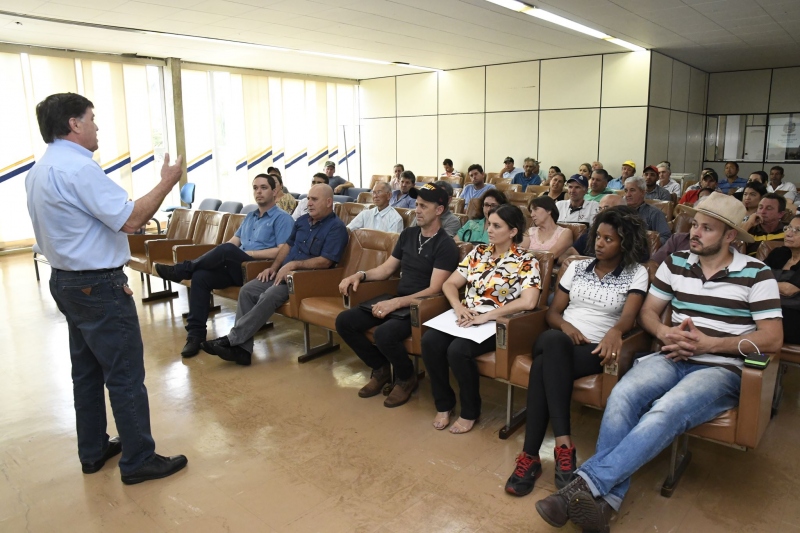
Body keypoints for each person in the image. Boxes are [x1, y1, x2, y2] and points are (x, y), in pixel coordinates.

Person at [534, 192, 782, 532]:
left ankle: (583, 486)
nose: (694, 232)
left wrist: (712, 344)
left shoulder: (757, 273)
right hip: (669, 355)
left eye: (706, 228)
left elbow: (772, 337)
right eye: (694, 225)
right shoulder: (676, 262)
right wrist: (664, 333)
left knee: (666, 409)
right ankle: (606, 504)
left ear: (730, 236)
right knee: (622, 395)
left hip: (719, 367)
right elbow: (649, 314)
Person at [26, 92, 187, 484]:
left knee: (86, 371)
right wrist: (167, 182)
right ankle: (138, 460)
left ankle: (93, 450)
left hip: (65, 282)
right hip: (97, 286)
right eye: (92, 119)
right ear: (74, 125)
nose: (97, 126)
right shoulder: (79, 171)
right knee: (125, 373)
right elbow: (131, 220)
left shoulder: (40, 169)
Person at [505, 208, 649, 497]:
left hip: (594, 349)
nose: (599, 243)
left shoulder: (637, 273)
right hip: (558, 338)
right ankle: (564, 445)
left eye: (609, 239)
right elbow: (554, 313)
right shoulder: (576, 267)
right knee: (554, 342)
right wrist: (567, 327)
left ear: (625, 243)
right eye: (598, 237)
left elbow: (629, 318)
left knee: (544, 365)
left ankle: (529, 456)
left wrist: (615, 332)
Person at [336, 183, 460, 408]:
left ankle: (405, 377)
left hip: (423, 307)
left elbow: (434, 289)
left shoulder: (446, 245)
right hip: (400, 301)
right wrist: (360, 275)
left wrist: (396, 303)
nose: (417, 210)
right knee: (345, 321)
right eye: (416, 204)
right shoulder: (409, 234)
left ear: (439, 210)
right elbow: (386, 269)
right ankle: (382, 368)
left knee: (385, 334)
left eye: (423, 205)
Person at [423, 204, 541, 434]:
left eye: (497, 226)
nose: (489, 230)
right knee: (430, 342)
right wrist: (457, 307)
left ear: (513, 231)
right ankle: (444, 404)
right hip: (465, 316)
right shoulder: (478, 253)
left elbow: (529, 302)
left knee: (457, 351)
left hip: (497, 323)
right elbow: (449, 283)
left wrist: (486, 316)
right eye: (489, 224)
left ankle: (470, 411)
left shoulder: (526, 260)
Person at [203, 184, 348, 365]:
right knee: (248, 290)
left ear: (329, 202)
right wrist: (274, 267)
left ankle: (233, 339)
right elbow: (287, 247)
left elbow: (326, 261)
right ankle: (242, 350)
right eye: (308, 198)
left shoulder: (336, 228)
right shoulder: (302, 221)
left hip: (306, 280)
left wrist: (294, 265)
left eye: (314, 199)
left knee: (269, 294)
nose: (308, 203)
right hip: (282, 273)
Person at [154, 173, 294, 357]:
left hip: (260, 270)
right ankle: (195, 336)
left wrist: (246, 254)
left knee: (227, 251)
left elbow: (281, 251)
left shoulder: (282, 218)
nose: (258, 192)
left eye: (264, 188)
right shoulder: (250, 217)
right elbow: (232, 242)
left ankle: (181, 270)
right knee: (201, 277)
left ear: (275, 191)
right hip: (238, 267)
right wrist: (218, 258)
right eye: (255, 188)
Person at [763, 214, 800, 343]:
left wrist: (765, 283)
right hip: (769, 307)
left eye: (797, 230)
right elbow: (756, 276)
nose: (789, 233)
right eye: (789, 228)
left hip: (794, 315)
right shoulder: (779, 253)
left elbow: (789, 289)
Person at [562, 195, 624, 259]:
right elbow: (566, 255)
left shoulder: (628, 235)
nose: (601, 212)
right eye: (600, 209)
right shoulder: (592, 232)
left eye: (606, 208)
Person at [624, 176, 671, 244]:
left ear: (643, 193)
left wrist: (646, 243)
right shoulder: (620, 210)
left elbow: (666, 238)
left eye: (632, 190)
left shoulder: (654, 213)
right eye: (626, 191)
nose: (628, 195)